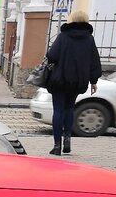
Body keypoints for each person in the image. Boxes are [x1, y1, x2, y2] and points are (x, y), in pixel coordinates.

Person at [44, 10, 103, 156]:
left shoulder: (63, 36)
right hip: (78, 81)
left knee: (58, 110)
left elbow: (52, 56)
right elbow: (95, 61)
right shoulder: (89, 39)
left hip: (60, 79)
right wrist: (93, 81)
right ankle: (68, 140)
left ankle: (57, 145)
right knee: (69, 109)